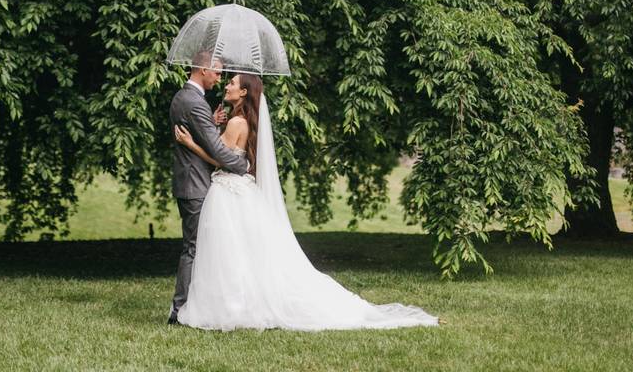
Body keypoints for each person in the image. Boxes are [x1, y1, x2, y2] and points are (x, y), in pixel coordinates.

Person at [173, 72, 439, 331]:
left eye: (231, 83)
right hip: (239, 190)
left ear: (244, 92)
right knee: (240, 252)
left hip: (228, 190)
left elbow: (223, 160)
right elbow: (235, 156)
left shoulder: (236, 123)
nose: (226, 86)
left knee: (228, 252)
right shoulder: (242, 120)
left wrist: (189, 143)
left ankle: (231, 304)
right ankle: (239, 303)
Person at [167, 51, 251, 325]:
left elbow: (205, 137)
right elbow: (216, 150)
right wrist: (242, 166)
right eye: (217, 73)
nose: (220, 79)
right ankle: (179, 310)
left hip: (188, 181)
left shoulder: (184, 97)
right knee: (193, 249)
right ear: (203, 70)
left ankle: (196, 306)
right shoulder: (196, 103)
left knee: (199, 247)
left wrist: (209, 126)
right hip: (196, 184)